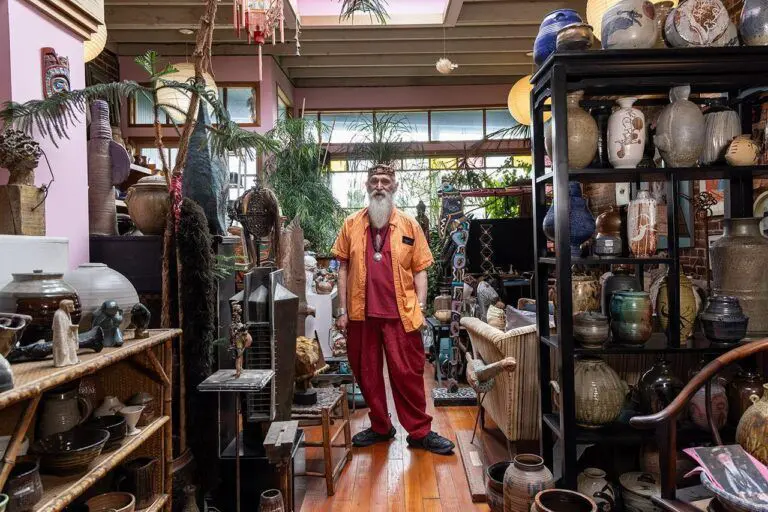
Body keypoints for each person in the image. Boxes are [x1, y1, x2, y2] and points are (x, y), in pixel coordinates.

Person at [332, 164, 455, 455]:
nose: (379, 186)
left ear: (394, 187)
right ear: (366, 186)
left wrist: (422, 307)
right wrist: (341, 310)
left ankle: (419, 431)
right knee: (367, 374)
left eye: (385, 181)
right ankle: (380, 427)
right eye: (373, 181)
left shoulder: (410, 225)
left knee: (408, 374)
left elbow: (421, 270)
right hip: (362, 315)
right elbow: (342, 267)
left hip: (401, 314)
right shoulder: (351, 224)